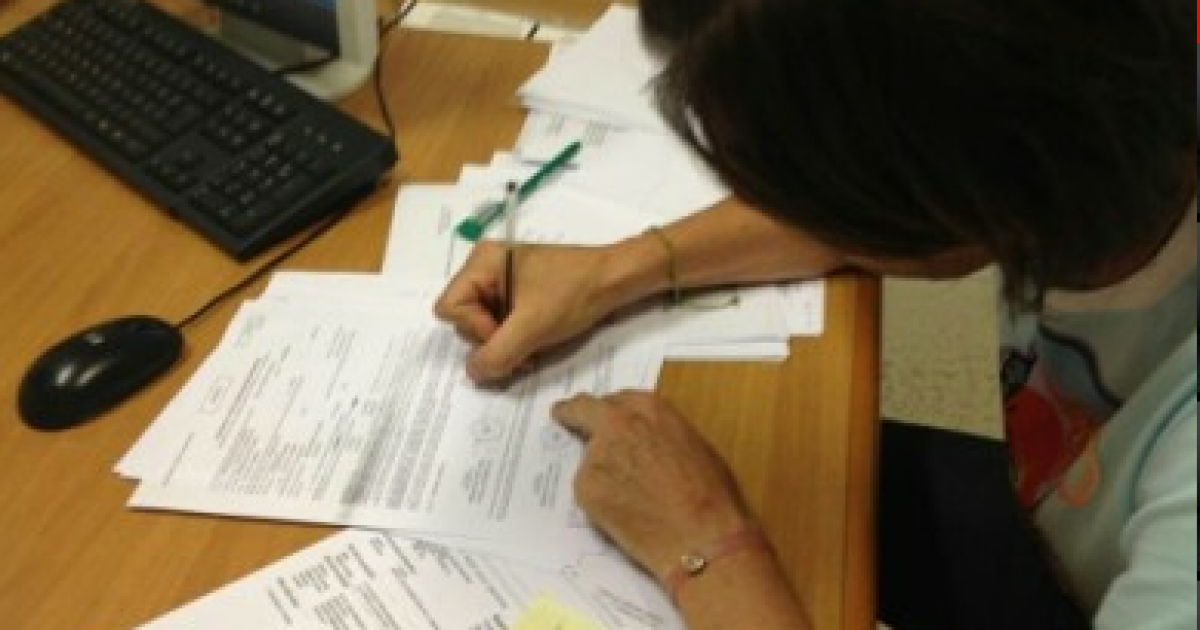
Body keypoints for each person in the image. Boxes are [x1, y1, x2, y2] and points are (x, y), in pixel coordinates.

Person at [434, 0, 1197, 628]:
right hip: (1054, 513)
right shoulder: (1101, 111)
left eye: (799, 191)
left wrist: (708, 551)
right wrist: (610, 270)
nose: (778, 214)